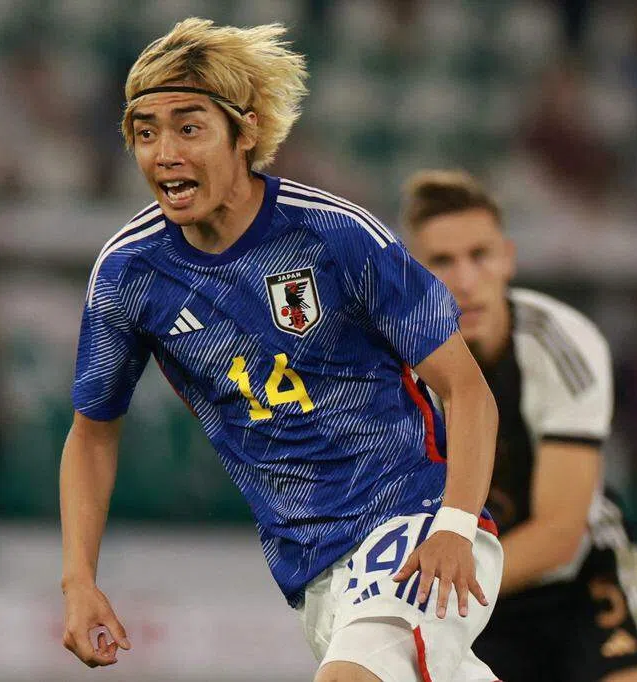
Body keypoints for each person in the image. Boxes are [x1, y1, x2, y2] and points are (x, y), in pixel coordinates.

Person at [60, 18, 503, 682]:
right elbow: (93, 434)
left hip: (415, 525)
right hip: (311, 572)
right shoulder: (130, 274)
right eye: (146, 133)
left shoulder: (334, 235)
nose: (164, 153)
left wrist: (455, 526)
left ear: (244, 133)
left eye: (189, 128)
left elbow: (466, 390)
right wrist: (78, 581)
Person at [403, 169, 637, 682]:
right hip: (461, 595)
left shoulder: (563, 345)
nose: (464, 280)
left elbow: (559, 535)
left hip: (576, 579)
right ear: (412, 271)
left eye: (479, 255)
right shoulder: (391, 366)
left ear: (508, 258)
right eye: (442, 261)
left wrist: (441, 577)